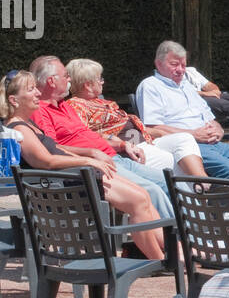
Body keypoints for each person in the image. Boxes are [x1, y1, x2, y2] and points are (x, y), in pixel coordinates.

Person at [0, 71, 165, 259]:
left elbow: (56, 149)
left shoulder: (27, 124)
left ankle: (174, 253)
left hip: (73, 177)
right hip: (65, 186)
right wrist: (87, 160)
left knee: (143, 195)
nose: (37, 93)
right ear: (14, 100)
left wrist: (90, 154)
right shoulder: (19, 128)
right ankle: (158, 260)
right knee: (138, 201)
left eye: (36, 87)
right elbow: (46, 161)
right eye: (30, 89)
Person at [28, 56, 175, 222]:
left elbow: (90, 135)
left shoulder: (63, 105)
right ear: (51, 81)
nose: (69, 79)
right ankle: (176, 241)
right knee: (153, 190)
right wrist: (92, 153)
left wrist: (120, 144)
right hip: (99, 166)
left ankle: (194, 233)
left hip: (115, 157)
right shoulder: (41, 110)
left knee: (172, 182)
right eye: (65, 76)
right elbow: (53, 147)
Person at [135, 41, 229, 203]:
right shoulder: (150, 86)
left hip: (214, 144)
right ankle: (226, 217)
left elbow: (210, 118)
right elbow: (152, 128)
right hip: (189, 147)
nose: (180, 70)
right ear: (158, 63)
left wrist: (219, 129)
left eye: (183, 65)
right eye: (174, 64)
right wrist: (194, 135)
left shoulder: (186, 85)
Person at [64, 58, 207, 179]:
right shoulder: (76, 106)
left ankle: (203, 184)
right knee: (172, 160)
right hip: (129, 151)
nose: (102, 82)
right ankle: (200, 202)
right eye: (99, 79)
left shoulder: (101, 102)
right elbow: (84, 136)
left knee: (184, 138)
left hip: (144, 143)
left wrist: (162, 133)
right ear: (88, 85)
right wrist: (116, 141)